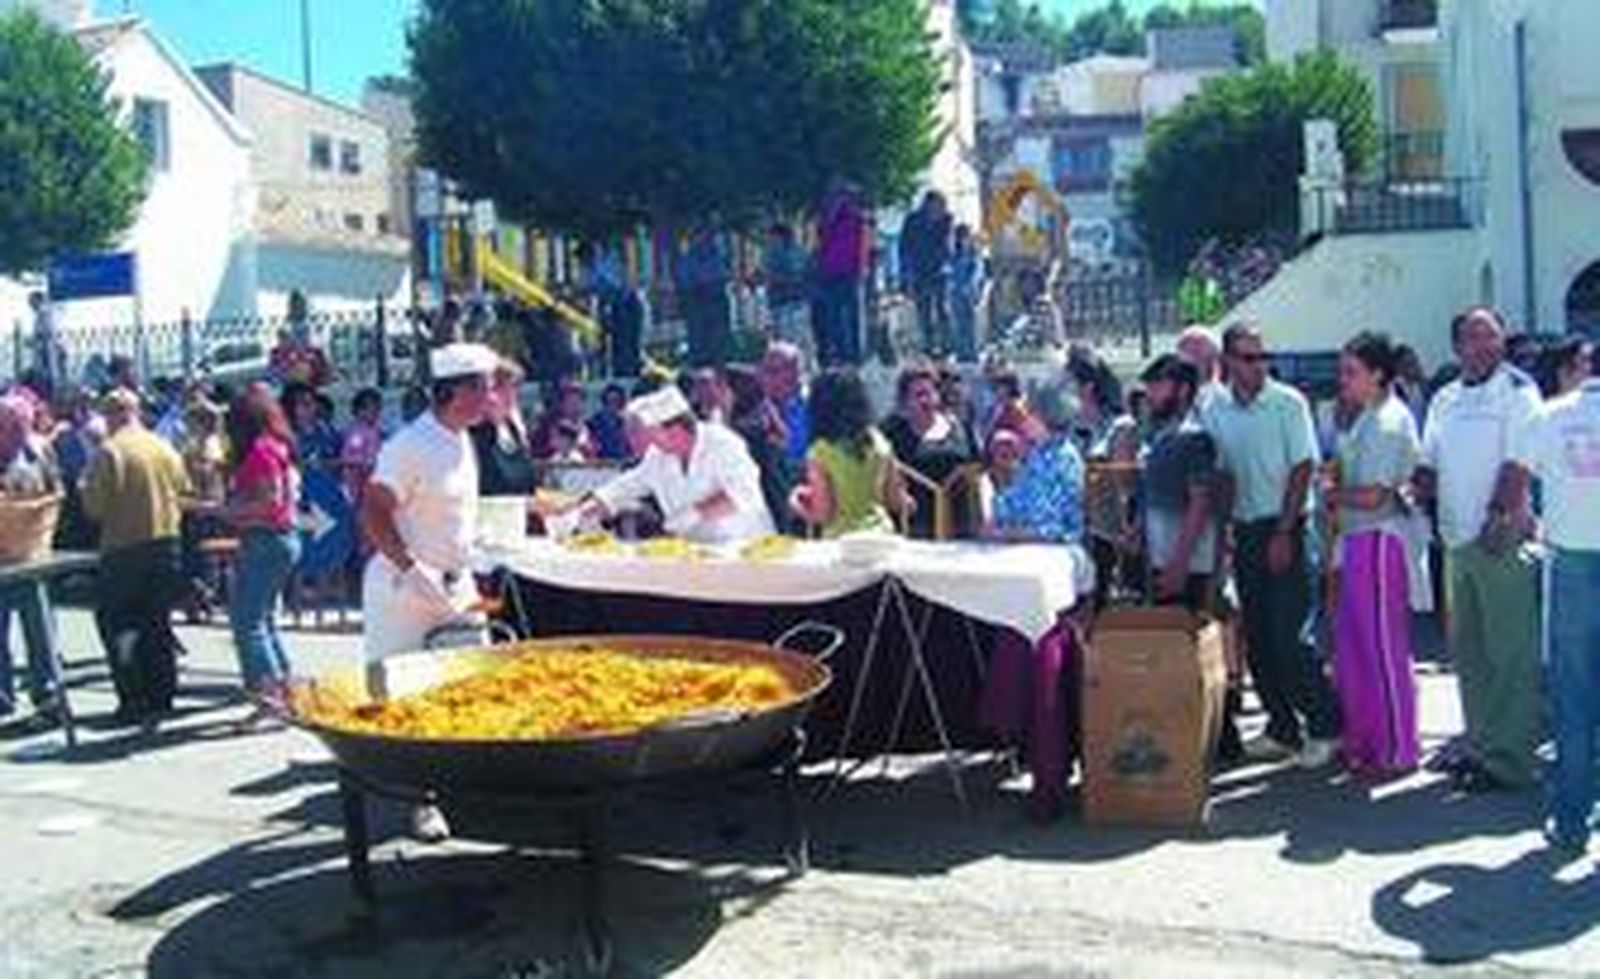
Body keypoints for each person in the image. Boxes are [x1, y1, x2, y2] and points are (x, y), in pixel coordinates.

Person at [360, 342, 499, 843]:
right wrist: (410, 566)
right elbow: (373, 511)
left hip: (455, 584)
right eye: (483, 386)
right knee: (404, 695)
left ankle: (465, 786)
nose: (492, 395)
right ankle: (419, 802)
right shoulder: (409, 444)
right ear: (455, 391)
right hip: (404, 588)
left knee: (472, 682)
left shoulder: (462, 439)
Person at [1416, 307, 1542, 793]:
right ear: (1457, 347)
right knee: (1469, 653)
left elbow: (1519, 461)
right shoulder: (1445, 398)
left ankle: (1510, 760)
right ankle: (1482, 744)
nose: (1487, 344)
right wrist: (1410, 489)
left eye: (1493, 335)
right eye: (1474, 337)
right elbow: (1429, 462)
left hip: (1496, 539)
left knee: (1509, 652)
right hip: (1454, 542)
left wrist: (1499, 515)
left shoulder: (1517, 391)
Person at [1210, 323, 1342, 768]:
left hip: (1288, 527)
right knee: (1260, 641)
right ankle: (1282, 729)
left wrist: (1285, 532)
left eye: (1263, 356)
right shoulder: (1216, 406)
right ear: (1228, 361)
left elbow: (1303, 468)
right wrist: (1225, 532)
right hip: (1245, 532)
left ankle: (1326, 726)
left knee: (1291, 638)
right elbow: (1221, 471)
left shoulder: (1288, 403)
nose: (1259, 365)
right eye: (1248, 358)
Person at [1511, 362, 1600, 854]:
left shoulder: (1551, 415)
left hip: (1573, 564)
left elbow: (1517, 478)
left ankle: (1572, 818)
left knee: (1575, 697)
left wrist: (1532, 523)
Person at [1327, 333, 1422, 778]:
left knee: (1383, 649)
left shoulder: (1387, 421)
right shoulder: (1367, 416)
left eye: (1351, 371)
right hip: (1358, 540)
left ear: (1378, 374)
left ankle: (1398, 746)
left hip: (1379, 541)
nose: (1342, 380)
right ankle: (1366, 742)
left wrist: (1331, 492)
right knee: (1355, 648)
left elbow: (1373, 496)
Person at [81, 388, 191, 730]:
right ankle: (163, 694)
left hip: (123, 549)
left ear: (110, 415)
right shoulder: (164, 447)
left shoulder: (109, 452)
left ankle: (133, 697)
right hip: (167, 543)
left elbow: (95, 508)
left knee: (119, 626)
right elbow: (183, 490)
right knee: (157, 622)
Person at [560, 386, 775, 544]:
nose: (650, 443)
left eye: (653, 436)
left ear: (675, 430)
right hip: (697, 555)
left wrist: (694, 513)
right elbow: (627, 486)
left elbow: (744, 493)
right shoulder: (658, 455)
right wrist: (585, 510)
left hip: (745, 550)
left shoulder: (724, 444)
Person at [222, 384, 302, 714]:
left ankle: (266, 694)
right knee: (264, 619)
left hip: (265, 538)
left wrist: (227, 511)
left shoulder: (259, 451)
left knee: (247, 623)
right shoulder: (278, 446)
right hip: (281, 538)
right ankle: (285, 688)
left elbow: (269, 502)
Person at [0, 394, 65, 729]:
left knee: (41, 629)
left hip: (32, 553)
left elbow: (58, 490)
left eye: (20, 426)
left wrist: (39, 509)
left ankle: (49, 696)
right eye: (9, 427)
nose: (15, 433)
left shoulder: (39, 450)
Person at [791, 368, 908, 537]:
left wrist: (797, 505)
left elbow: (824, 515)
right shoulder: (879, 442)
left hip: (842, 544)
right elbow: (895, 501)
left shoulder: (820, 452)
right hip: (882, 536)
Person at [882, 365, 980, 540]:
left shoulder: (960, 428)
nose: (926, 400)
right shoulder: (892, 433)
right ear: (904, 401)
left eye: (930, 393)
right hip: (915, 529)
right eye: (918, 395)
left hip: (960, 526)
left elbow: (976, 469)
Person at [984, 379, 1085, 545]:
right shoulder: (1037, 453)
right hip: (1025, 546)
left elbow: (1054, 525)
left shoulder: (1064, 458)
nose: (1023, 419)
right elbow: (1016, 498)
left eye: (1029, 413)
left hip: (1055, 552)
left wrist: (1011, 533)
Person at [813, 179, 870, 366]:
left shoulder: (855, 217)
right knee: (834, 314)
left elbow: (862, 244)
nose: (835, 198)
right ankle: (840, 351)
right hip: (830, 271)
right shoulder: (826, 216)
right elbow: (822, 241)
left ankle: (853, 354)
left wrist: (862, 268)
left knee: (851, 313)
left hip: (849, 271)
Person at [470, 360, 539, 498]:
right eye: (502, 388)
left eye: (515, 388)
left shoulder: (512, 429)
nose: (512, 396)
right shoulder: (474, 433)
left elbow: (527, 479)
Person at [900, 191, 954, 356]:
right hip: (919, 270)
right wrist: (906, 272)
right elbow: (904, 246)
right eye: (938, 204)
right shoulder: (912, 220)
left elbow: (947, 245)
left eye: (942, 206)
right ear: (928, 204)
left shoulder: (946, 220)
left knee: (942, 308)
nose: (940, 208)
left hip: (939, 270)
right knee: (923, 309)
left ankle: (946, 344)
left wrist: (947, 262)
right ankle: (929, 344)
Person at [675, 227, 733, 368]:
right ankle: (701, 367)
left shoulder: (716, 254)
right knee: (699, 341)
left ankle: (718, 366)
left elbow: (724, 274)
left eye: (705, 236)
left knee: (718, 342)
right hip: (698, 300)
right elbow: (684, 281)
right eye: (698, 236)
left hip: (717, 299)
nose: (702, 239)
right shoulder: (689, 258)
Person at [762, 223, 813, 359]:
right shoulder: (774, 253)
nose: (770, 240)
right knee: (786, 341)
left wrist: (781, 280)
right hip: (783, 303)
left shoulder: (791, 253)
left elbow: (801, 275)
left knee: (790, 340)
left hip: (792, 303)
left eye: (772, 237)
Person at [341, 388, 386, 505]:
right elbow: (350, 456)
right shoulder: (356, 432)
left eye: (378, 408)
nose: (376, 412)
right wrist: (365, 462)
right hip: (359, 479)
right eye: (372, 409)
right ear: (359, 411)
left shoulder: (376, 430)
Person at [949, 224, 984, 364]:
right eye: (961, 237)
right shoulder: (954, 254)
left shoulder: (974, 255)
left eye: (966, 237)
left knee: (971, 323)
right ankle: (961, 352)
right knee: (958, 322)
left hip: (970, 293)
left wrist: (972, 288)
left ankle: (972, 351)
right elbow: (950, 271)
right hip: (956, 293)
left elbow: (977, 273)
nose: (964, 240)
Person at [587, 384, 632, 462]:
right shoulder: (595, 422)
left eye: (617, 401)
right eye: (611, 401)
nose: (614, 405)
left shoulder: (624, 421)